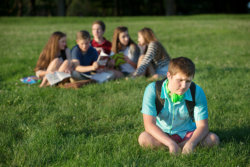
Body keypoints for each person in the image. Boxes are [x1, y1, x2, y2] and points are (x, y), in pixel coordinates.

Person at [138, 57, 220, 154]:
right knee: (143, 138)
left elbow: (203, 126)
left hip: (187, 134)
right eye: (179, 80)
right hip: (162, 134)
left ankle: (180, 148)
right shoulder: (152, 90)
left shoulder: (197, 91)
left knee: (213, 139)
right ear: (169, 76)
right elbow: (149, 125)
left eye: (188, 81)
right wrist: (170, 143)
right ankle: (175, 147)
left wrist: (191, 143)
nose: (184, 85)